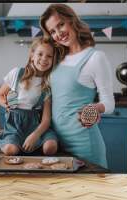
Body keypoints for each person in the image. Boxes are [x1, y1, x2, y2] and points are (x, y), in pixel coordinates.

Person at [40, 4, 115, 168]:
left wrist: (94, 108)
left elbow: (109, 103)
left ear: (71, 20)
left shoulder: (95, 57)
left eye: (60, 24)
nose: (59, 34)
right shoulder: (57, 57)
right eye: (52, 31)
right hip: (56, 142)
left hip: (84, 144)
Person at [0, 37, 58, 156]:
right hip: (15, 125)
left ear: (53, 60)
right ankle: (8, 141)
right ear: (32, 55)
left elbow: (46, 120)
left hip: (36, 125)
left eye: (49, 56)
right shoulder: (17, 73)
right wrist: (6, 103)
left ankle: (33, 144)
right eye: (40, 54)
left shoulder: (48, 83)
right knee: (11, 150)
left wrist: (35, 135)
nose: (44, 58)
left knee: (50, 147)